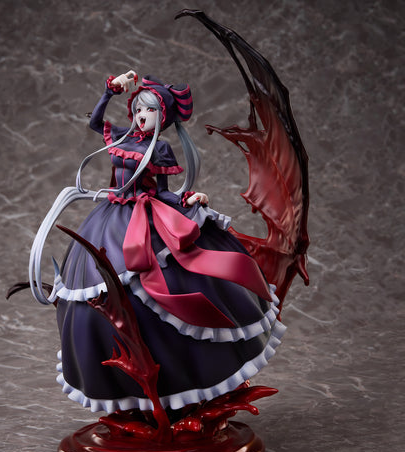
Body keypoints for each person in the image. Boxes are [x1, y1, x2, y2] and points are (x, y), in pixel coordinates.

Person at [29, 71, 284, 415]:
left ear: (162, 116)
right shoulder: (121, 137)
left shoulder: (159, 149)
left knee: (169, 281)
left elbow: (162, 191)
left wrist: (188, 200)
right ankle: (120, 386)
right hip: (110, 218)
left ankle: (179, 384)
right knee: (93, 282)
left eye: (149, 110)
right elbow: (95, 123)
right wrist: (109, 92)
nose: (141, 116)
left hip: (146, 216)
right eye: (138, 109)